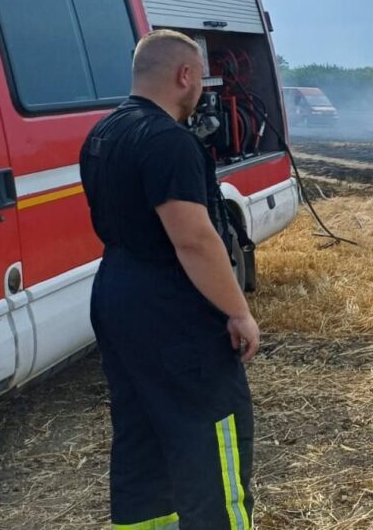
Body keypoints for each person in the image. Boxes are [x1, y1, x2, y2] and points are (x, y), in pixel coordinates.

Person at [80, 29, 260, 529]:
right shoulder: (169, 142)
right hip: (173, 311)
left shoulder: (103, 133)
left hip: (117, 294)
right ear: (184, 76)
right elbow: (194, 241)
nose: (202, 89)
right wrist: (238, 312)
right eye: (200, 78)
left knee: (142, 436)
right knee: (210, 441)